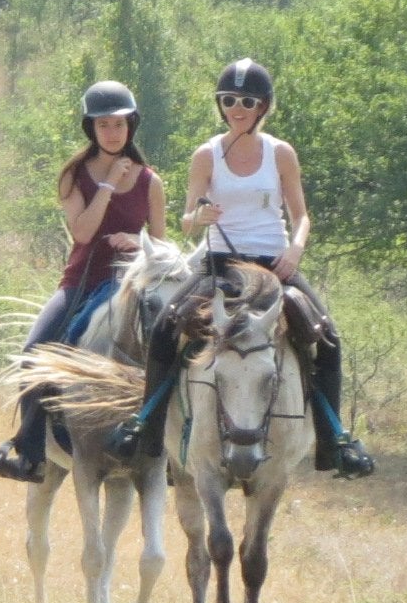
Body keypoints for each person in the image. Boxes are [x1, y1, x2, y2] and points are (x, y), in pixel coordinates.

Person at [102, 59, 375, 477]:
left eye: (247, 101)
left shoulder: (280, 153)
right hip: (219, 264)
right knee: (164, 328)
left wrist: (295, 250)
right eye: (228, 100)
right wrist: (199, 219)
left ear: (263, 106)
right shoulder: (206, 154)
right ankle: (147, 433)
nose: (237, 108)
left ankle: (335, 442)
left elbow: (301, 215)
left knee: (328, 337)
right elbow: (187, 218)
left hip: (273, 264)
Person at [0, 80, 165, 482]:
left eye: (119, 124)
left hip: (134, 286)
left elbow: (160, 243)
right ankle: (29, 450)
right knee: (34, 351)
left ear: (131, 126)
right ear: (91, 129)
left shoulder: (150, 182)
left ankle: (171, 449)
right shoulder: (74, 175)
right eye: (103, 125)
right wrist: (105, 185)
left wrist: (137, 243)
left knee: (173, 348)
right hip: (82, 283)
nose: (112, 133)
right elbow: (83, 232)